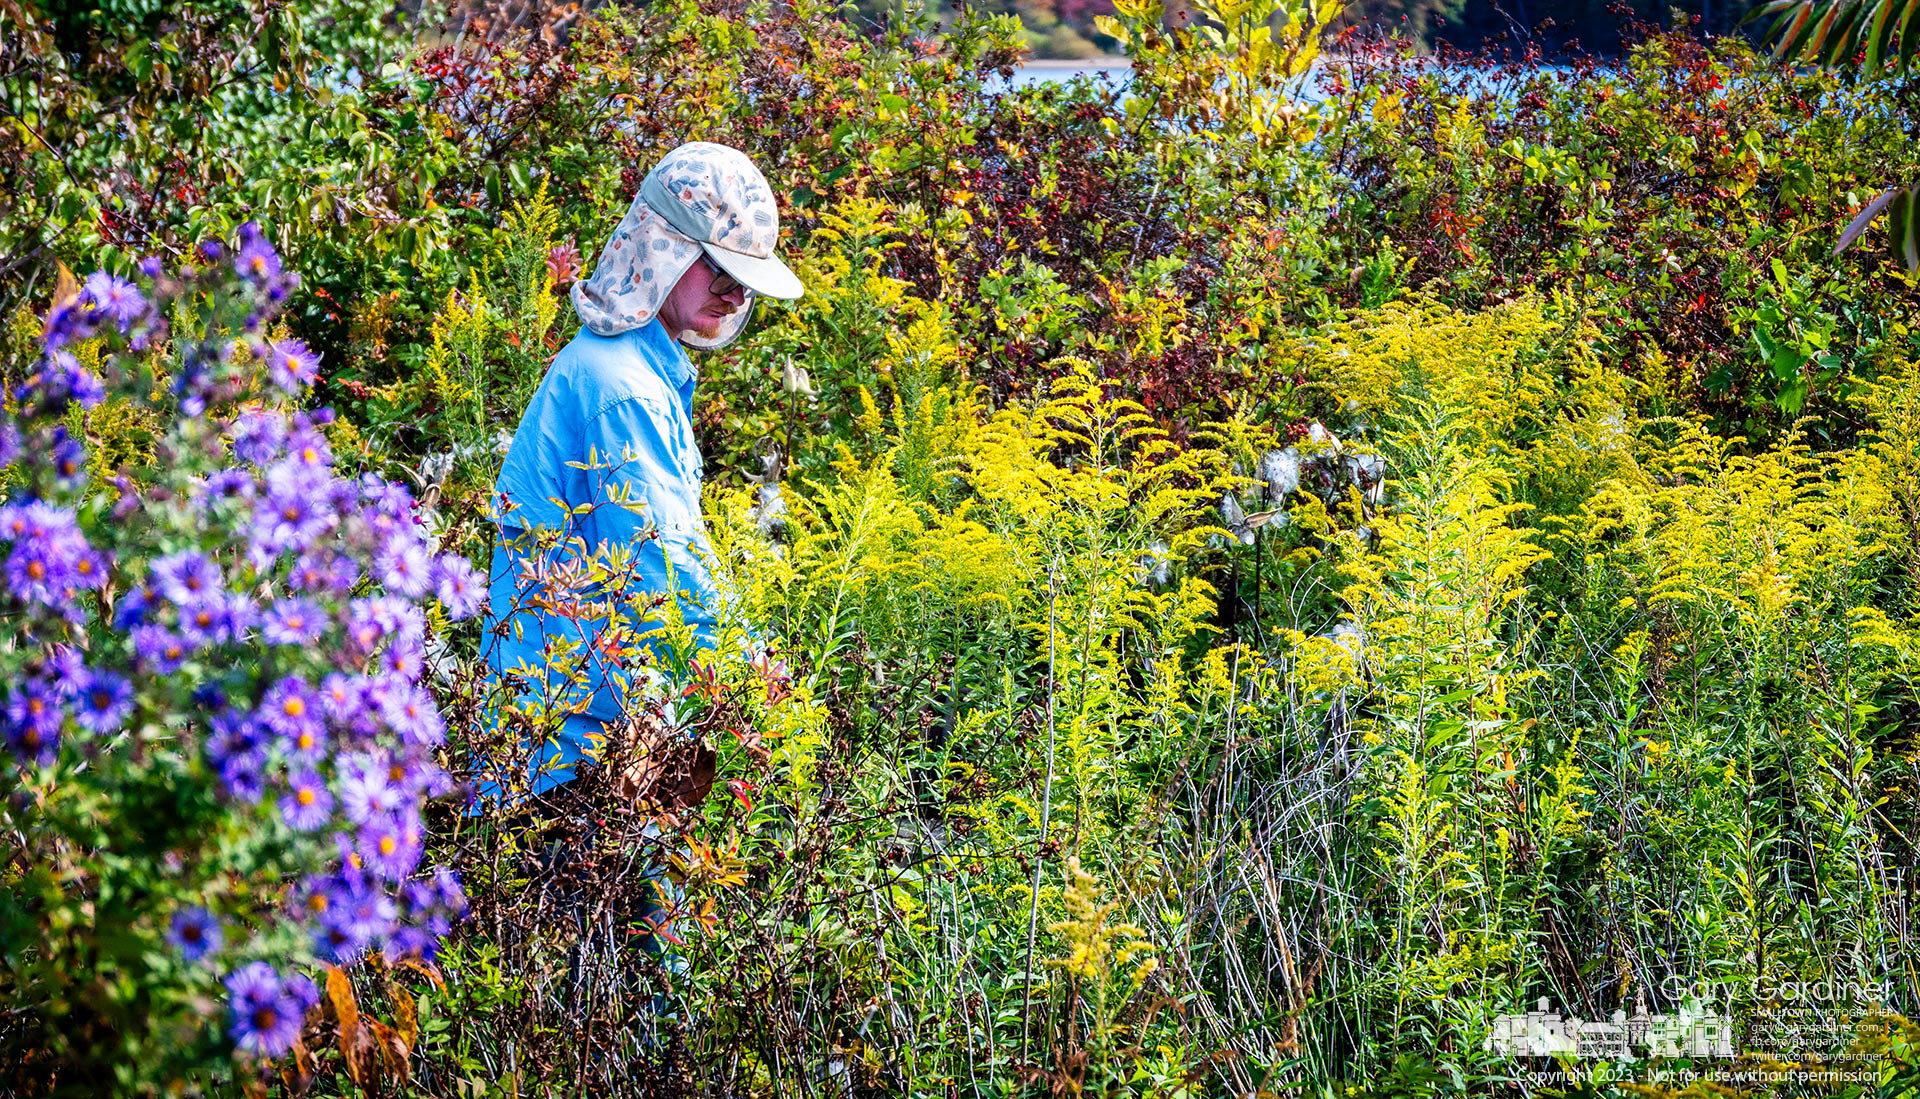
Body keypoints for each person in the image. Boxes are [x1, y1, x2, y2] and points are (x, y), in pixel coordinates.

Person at [481, 141, 805, 802]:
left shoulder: (630, 368)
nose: (735, 291)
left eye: (744, 276)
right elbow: (669, 570)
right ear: (664, 251)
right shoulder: (624, 388)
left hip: (583, 745)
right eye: (717, 267)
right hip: (568, 762)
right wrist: (757, 678)